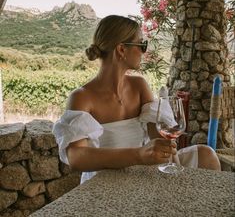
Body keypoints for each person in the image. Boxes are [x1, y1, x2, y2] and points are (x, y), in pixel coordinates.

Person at [53, 15, 220, 184]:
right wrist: (139, 155)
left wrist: (163, 143)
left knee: (206, 155)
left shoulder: (139, 86)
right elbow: (76, 157)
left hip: (143, 169)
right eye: (142, 45)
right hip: (105, 178)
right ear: (121, 50)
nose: (144, 52)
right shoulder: (82, 97)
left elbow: (157, 137)